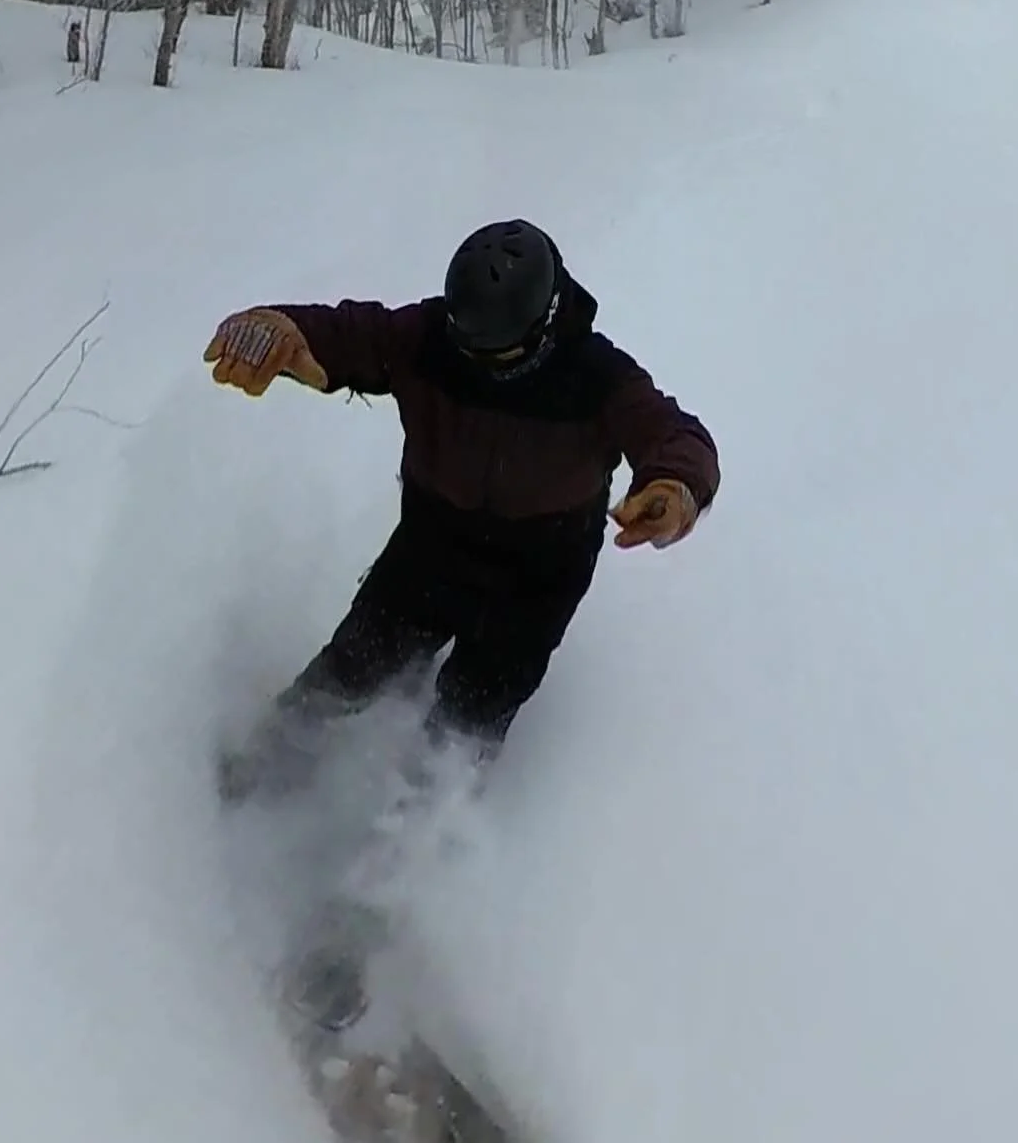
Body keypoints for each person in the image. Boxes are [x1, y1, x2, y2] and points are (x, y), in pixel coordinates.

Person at [206, 219, 719, 803]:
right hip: (429, 552)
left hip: (538, 580)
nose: (477, 365)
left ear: (544, 329)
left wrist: (675, 485)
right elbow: (348, 333)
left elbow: (675, 435)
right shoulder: (428, 338)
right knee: (350, 667)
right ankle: (266, 764)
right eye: (468, 349)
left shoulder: (598, 377)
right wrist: (284, 329)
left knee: (464, 725)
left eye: (497, 356)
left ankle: (402, 868)